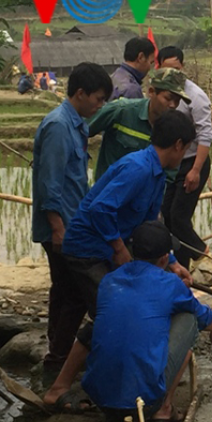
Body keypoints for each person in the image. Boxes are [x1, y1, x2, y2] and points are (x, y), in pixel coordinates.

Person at [43, 110, 195, 414]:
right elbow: (100, 209)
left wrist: (172, 262)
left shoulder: (158, 175)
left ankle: (98, 376)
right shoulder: (138, 168)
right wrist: (118, 249)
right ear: (178, 145)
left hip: (105, 249)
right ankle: (58, 388)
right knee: (113, 312)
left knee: (101, 310)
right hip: (88, 250)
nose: (187, 154)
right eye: (188, 147)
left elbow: (151, 224)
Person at [82, 221, 212, 422]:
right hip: (142, 404)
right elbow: (201, 314)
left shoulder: (110, 280)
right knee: (188, 318)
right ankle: (164, 408)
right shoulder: (170, 283)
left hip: (100, 399)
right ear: (164, 259)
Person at [32, 62, 113, 382]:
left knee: (63, 290)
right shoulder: (57, 126)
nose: (100, 105)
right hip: (61, 227)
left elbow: (75, 182)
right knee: (76, 293)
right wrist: (58, 228)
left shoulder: (76, 124)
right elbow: (50, 184)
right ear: (80, 94)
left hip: (73, 223)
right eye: (98, 98)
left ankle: (57, 348)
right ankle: (58, 359)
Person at [157, 46, 212, 268]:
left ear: (183, 68)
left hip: (192, 162)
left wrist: (195, 170)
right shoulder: (159, 93)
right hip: (171, 164)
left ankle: (202, 252)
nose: (172, 74)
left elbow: (205, 135)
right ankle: (182, 266)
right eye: (167, 69)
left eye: (176, 69)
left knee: (179, 217)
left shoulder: (196, 96)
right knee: (167, 216)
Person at [89, 67, 191, 180]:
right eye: (168, 98)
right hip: (108, 193)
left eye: (177, 101)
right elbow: (81, 129)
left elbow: (168, 175)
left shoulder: (175, 131)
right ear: (151, 92)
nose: (173, 105)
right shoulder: (121, 110)